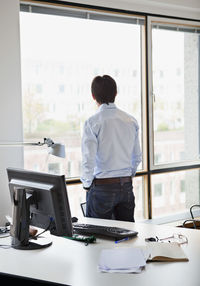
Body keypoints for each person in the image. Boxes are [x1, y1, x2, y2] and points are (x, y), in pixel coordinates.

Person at [80, 75, 142, 222]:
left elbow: (88, 160)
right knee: (126, 237)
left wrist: (87, 185)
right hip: (126, 187)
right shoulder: (131, 120)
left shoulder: (92, 122)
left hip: (102, 188)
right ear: (115, 94)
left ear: (93, 96)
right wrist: (126, 177)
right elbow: (137, 157)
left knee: (98, 238)